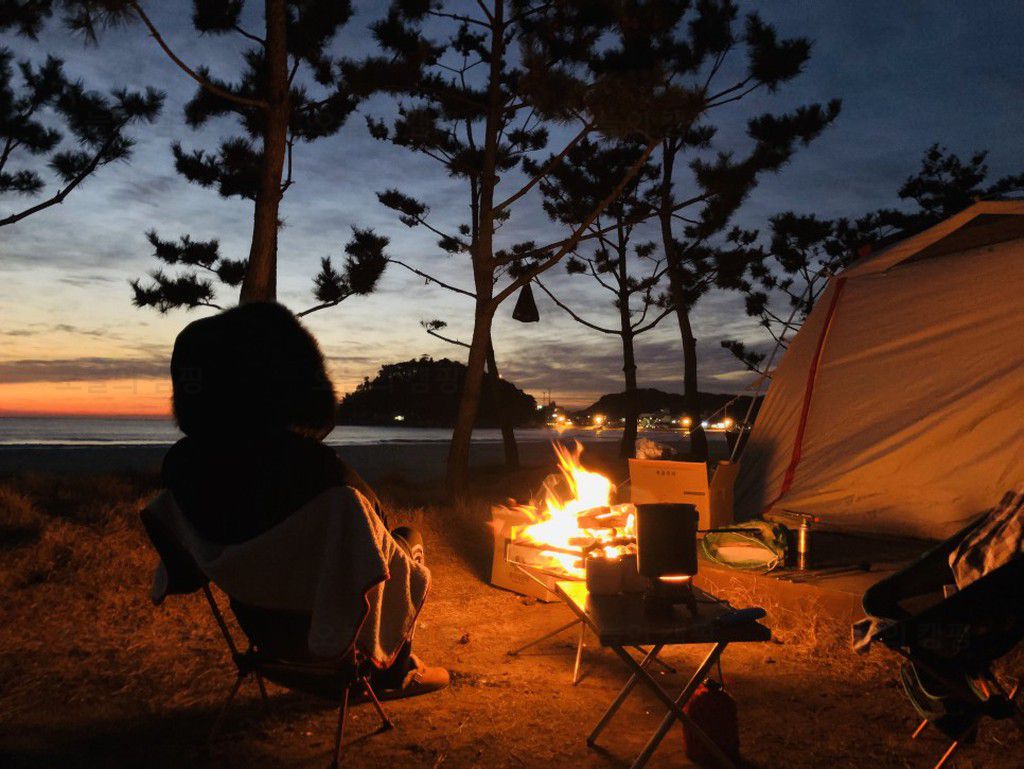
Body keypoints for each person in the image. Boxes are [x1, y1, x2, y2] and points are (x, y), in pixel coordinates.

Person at [161, 301, 447, 696]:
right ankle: (394, 670)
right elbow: (374, 532)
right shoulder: (319, 472)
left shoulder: (181, 466)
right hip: (328, 631)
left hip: (263, 631)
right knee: (406, 538)